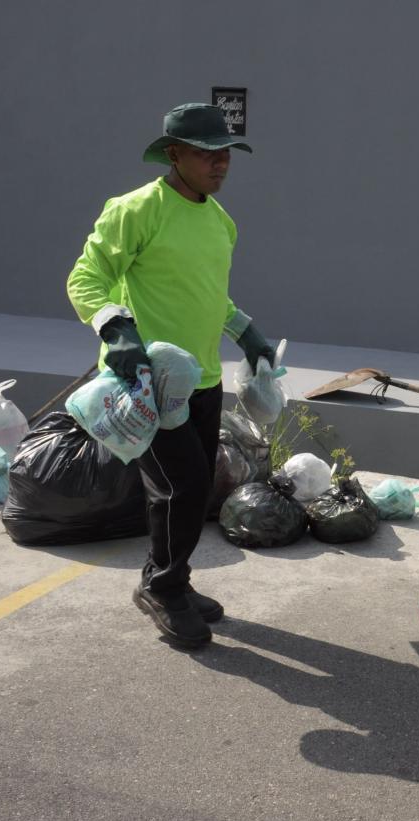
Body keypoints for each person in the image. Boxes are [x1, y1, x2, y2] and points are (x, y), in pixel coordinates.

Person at [67, 102, 276, 649]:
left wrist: (246, 332)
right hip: (148, 383)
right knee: (182, 485)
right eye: (207, 153)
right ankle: (162, 589)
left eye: (226, 152)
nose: (220, 163)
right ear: (174, 154)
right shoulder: (136, 210)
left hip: (202, 380)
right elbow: (87, 277)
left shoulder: (220, 221)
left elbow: (208, 293)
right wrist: (115, 328)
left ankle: (170, 580)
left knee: (190, 488)